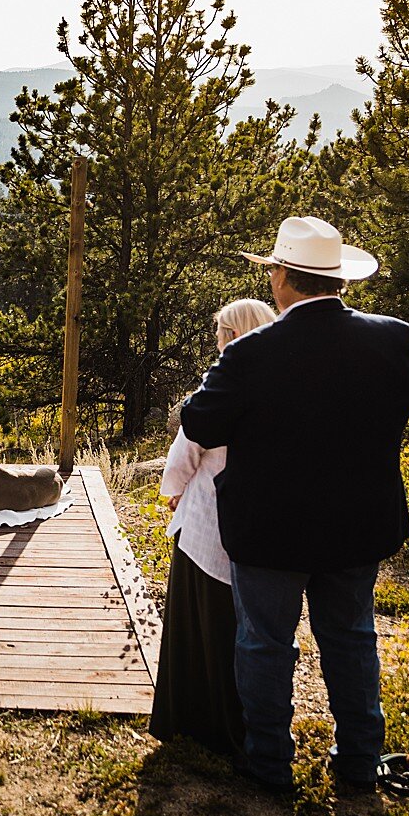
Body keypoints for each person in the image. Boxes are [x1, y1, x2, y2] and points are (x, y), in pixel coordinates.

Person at [180, 217, 409, 795]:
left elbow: (200, 421)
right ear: (338, 280)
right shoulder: (392, 338)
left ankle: (269, 764)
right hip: (357, 525)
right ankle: (360, 761)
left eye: (271, 267)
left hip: (270, 529)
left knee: (264, 642)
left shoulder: (250, 354)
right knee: (352, 638)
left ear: (282, 279)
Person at [149, 297, 276, 757]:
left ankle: (193, 718)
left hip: (208, 517)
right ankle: (245, 721)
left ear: (236, 334)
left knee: (198, 623)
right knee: (245, 626)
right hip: (262, 521)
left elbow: (188, 447)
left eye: (222, 331)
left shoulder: (225, 381)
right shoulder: (282, 381)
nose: (217, 339)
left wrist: (173, 491)